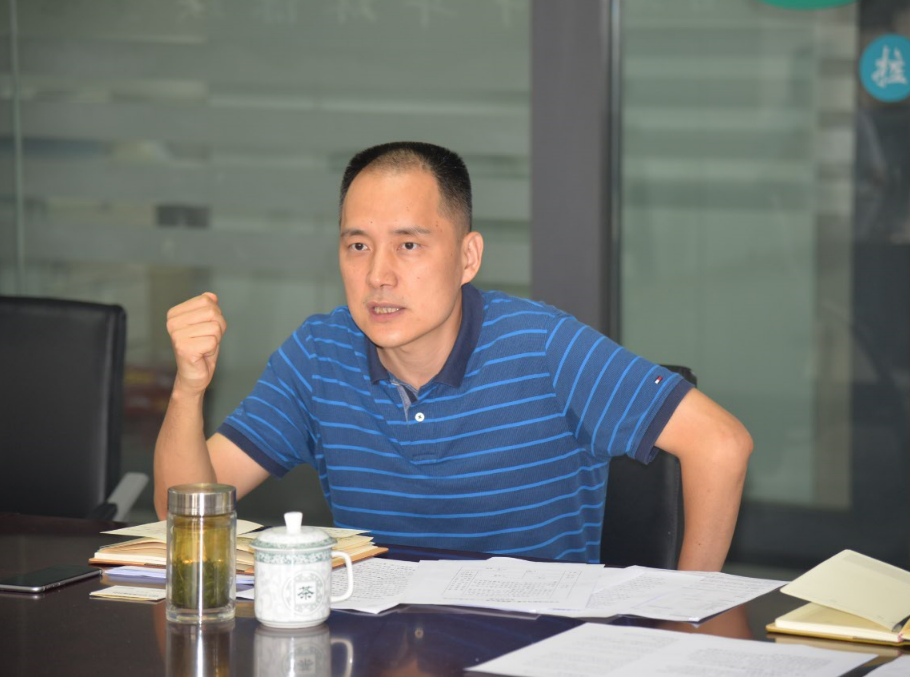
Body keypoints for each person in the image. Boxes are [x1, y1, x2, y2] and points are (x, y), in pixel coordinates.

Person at [154, 141, 752, 570]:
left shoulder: (542, 346)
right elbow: (179, 516)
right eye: (358, 246)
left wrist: (687, 614)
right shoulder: (318, 355)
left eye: (409, 245)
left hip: (532, 649)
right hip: (377, 647)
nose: (378, 275)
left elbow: (721, 444)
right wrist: (188, 389)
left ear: (468, 258)